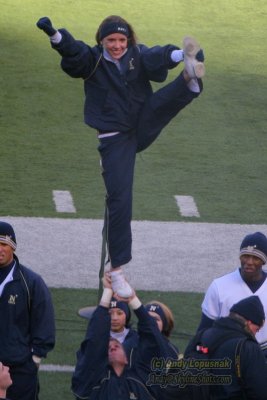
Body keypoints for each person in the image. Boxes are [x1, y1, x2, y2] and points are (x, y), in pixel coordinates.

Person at [36, 15, 205, 297]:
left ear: (129, 41)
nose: (117, 46)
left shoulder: (135, 56)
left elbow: (154, 56)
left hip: (141, 123)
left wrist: (178, 53)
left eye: (122, 40)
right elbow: (73, 51)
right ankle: (116, 271)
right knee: (120, 199)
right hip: (116, 139)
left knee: (161, 103)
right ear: (101, 40)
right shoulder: (94, 60)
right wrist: (54, 35)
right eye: (111, 40)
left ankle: (189, 73)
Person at [71, 273, 179, 399]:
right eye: (109, 346)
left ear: (128, 358)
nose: (112, 346)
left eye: (117, 345)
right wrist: (107, 293)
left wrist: (133, 300)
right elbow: (94, 342)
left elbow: (152, 337)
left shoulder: (138, 379)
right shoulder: (95, 384)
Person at [0, 221, 56, 400]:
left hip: (20, 370)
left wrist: (35, 359)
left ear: (13, 247)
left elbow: (44, 322)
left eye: (4, 244)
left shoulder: (31, 282)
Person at [198, 231, 267, 357]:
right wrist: (202, 358)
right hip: (228, 354)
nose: (249, 262)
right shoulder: (219, 286)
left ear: (263, 261)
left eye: (255, 258)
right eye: (245, 256)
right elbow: (203, 332)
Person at [184, 296, 267, 399]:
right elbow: (260, 393)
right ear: (249, 323)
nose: (255, 334)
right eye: (257, 329)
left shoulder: (201, 335)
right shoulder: (248, 347)